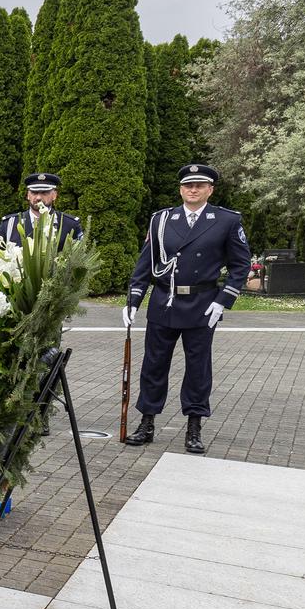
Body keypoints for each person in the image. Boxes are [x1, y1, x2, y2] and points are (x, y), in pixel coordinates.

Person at [122, 163, 250, 455]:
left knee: (198, 369)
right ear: (181, 189)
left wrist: (223, 300)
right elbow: (145, 264)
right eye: (188, 185)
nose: (193, 190)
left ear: (210, 190)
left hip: (202, 305)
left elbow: (241, 265)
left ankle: (194, 427)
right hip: (164, 303)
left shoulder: (226, 220)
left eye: (200, 185)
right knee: (153, 366)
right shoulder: (161, 220)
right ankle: (147, 422)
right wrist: (133, 300)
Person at [0, 172, 82, 250]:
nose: (38, 198)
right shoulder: (10, 224)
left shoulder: (70, 224)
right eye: (34, 193)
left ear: (54, 195)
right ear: (28, 195)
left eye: (44, 193)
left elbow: (79, 258)